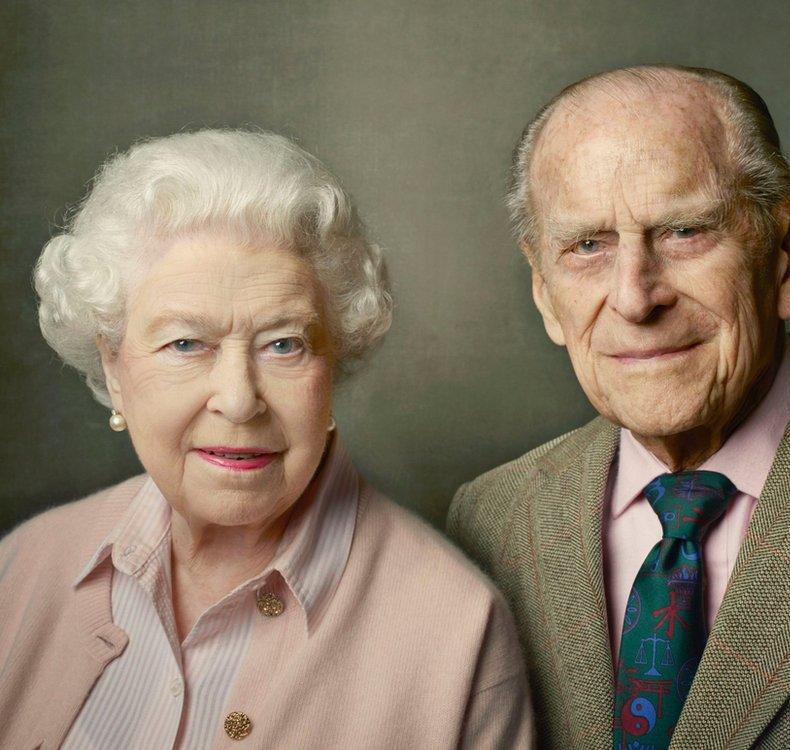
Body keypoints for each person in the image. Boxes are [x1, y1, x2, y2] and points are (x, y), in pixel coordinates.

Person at [447, 65, 790, 749]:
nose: (636, 299)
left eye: (685, 232)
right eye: (587, 246)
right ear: (545, 292)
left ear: (785, 254)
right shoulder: (486, 524)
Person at [0, 129, 533, 749]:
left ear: (334, 364)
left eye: (284, 344)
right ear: (115, 370)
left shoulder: (458, 632)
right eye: (186, 344)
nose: (239, 398)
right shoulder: (25, 566)